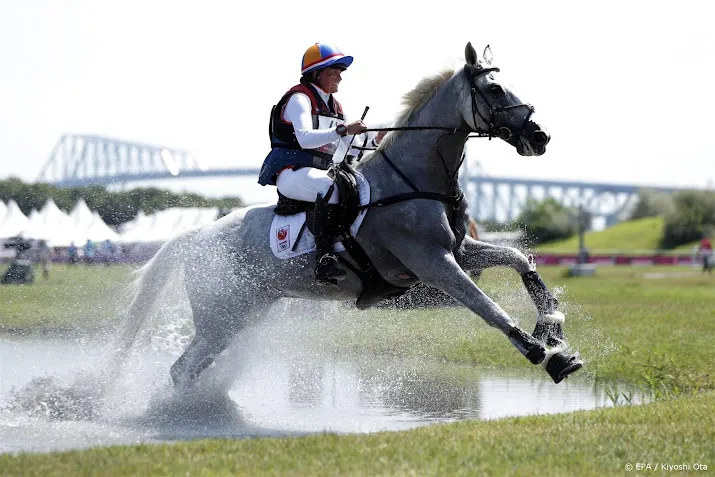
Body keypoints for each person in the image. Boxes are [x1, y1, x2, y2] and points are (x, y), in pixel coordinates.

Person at [259, 43, 380, 284]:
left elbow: (345, 147)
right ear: (315, 74)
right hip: (291, 172)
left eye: (340, 73)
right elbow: (305, 139)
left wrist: (375, 140)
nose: (339, 78)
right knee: (329, 188)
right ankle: (324, 258)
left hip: (319, 170)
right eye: (333, 72)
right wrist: (344, 129)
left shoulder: (335, 106)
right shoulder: (299, 98)